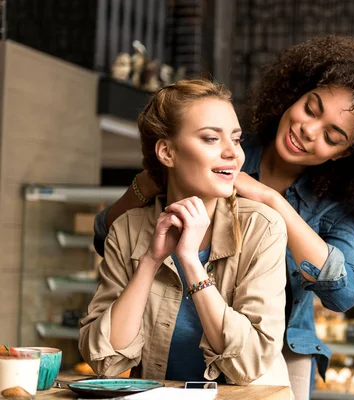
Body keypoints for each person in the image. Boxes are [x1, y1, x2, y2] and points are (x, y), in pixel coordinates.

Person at [93, 35, 354, 398]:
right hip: (181, 329)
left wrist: (273, 202)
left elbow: (345, 293)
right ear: (295, 94)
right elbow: (108, 236)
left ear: (344, 154)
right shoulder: (231, 150)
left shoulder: (333, 204)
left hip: (280, 344)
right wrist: (149, 180)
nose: (308, 130)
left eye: (332, 136)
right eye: (311, 109)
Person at [80, 79, 291, 388]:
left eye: (236, 139)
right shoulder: (128, 229)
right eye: (210, 139)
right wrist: (151, 261)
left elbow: (249, 363)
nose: (233, 153)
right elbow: (104, 361)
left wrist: (190, 262)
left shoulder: (262, 228)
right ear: (167, 152)